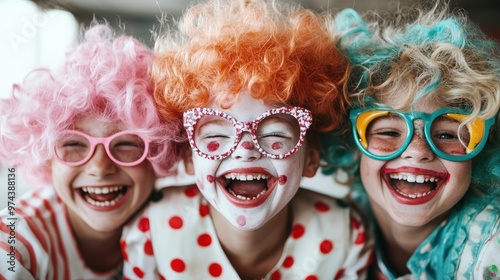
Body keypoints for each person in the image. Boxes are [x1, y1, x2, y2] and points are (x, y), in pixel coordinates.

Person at [120, 0, 373, 279]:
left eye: (275, 134)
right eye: (216, 135)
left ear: (311, 157)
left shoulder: (345, 235)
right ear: (189, 157)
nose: (245, 149)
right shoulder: (151, 231)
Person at [322, 2, 500, 279]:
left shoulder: (491, 244)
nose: (418, 151)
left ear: (481, 150)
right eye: (389, 132)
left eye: (445, 134)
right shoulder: (327, 224)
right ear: (351, 143)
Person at [0, 24, 182, 279]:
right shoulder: (14, 240)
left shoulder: (179, 224)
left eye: (127, 144)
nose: (99, 167)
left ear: (160, 153)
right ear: (47, 159)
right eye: (73, 145)